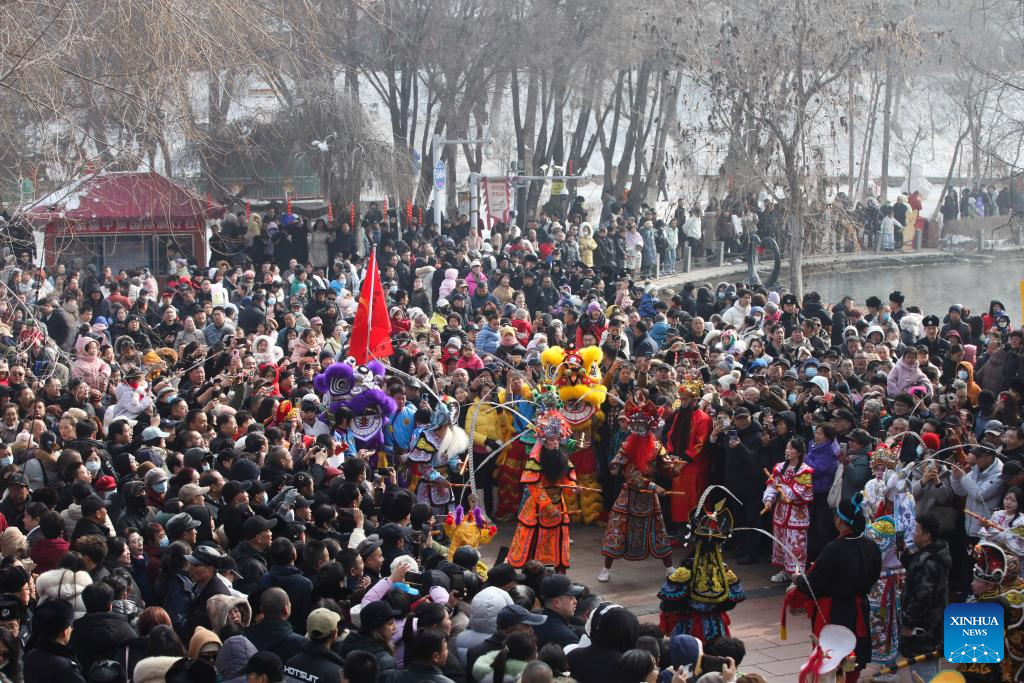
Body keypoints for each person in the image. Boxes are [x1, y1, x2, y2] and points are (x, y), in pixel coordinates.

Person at [786, 495, 882, 674]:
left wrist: (798, 579)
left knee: (832, 661)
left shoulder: (833, 549)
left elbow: (814, 586)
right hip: (859, 609)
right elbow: (874, 575)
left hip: (834, 612)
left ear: (839, 520)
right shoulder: (871, 546)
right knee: (853, 660)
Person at [599, 395, 678, 582]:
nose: (639, 432)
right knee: (617, 529)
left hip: (649, 497)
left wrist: (673, 469)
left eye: (643, 428)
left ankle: (669, 567)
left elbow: (666, 468)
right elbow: (623, 470)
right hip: (629, 493)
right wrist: (616, 466)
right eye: (636, 428)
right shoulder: (626, 446)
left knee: (659, 530)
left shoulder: (657, 447)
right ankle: (606, 569)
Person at [506, 412, 577, 573]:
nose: (555, 442)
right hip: (538, 506)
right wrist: (548, 506)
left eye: (557, 439)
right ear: (544, 441)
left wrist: (572, 487)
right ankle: (532, 572)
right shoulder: (536, 460)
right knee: (533, 537)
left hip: (558, 504)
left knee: (558, 537)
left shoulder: (562, 458)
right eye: (551, 439)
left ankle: (558, 570)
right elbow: (534, 486)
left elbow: (567, 478)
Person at [761, 436, 815, 584]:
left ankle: (797, 576)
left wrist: (779, 490)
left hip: (797, 516)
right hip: (781, 513)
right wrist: (768, 500)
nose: (787, 451)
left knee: (796, 545)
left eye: (791, 448)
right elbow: (771, 486)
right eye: (787, 448)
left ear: (798, 452)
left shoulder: (805, 472)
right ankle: (785, 571)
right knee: (782, 543)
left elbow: (793, 494)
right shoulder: (779, 467)